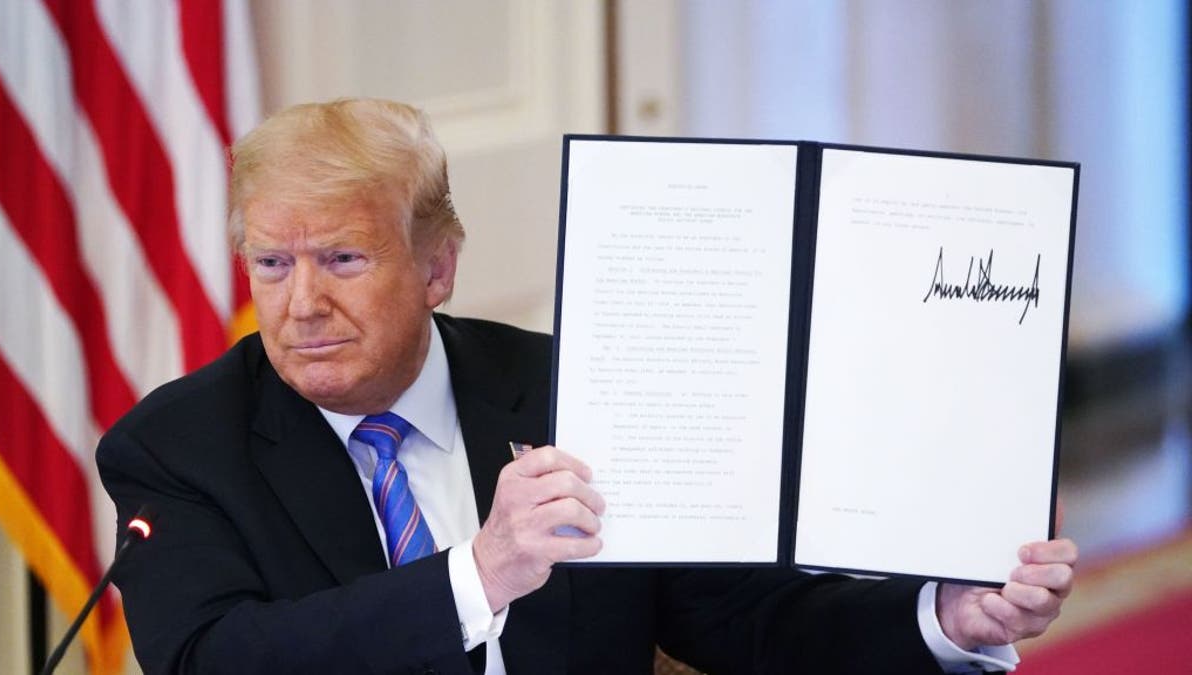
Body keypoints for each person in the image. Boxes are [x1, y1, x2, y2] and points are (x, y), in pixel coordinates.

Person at [97, 98, 1077, 674]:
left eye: (344, 259)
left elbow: (738, 617)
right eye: (272, 264)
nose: (301, 303)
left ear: (439, 267)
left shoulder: (573, 390)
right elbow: (214, 660)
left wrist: (941, 618)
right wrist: (477, 576)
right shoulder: (178, 447)